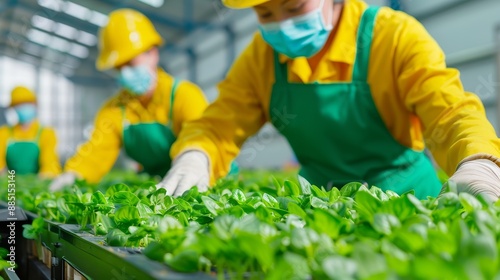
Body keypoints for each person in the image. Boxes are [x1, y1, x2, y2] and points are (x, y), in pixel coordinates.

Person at [158, 0, 500, 201]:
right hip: (321, 206)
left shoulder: (393, 36)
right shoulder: (260, 60)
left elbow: (450, 111)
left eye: (294, 6)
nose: (283, 24)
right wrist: (196, 155)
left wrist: (478, 161)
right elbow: (220, 124)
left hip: (407, 200)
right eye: (265, 14)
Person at [49, 9, 208, 190]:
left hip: (200, 179)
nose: (125, 73)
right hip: (157, 186)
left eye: (131, 63)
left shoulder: (184, 95)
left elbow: (204, 135)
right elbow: (97, 152)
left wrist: (194, 158)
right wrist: (75, 174)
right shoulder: (115, 110)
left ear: (153, 54)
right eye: (119, 68)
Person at [0, 86, 61, 177]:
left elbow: (50, 163)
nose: (23, 107)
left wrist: (47, 176)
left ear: (35, 104)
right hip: (11, 183)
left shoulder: (47, 133)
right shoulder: (4, 132)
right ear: (13, 108)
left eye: (27, 103)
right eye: (18, 104)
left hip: (38, 183)